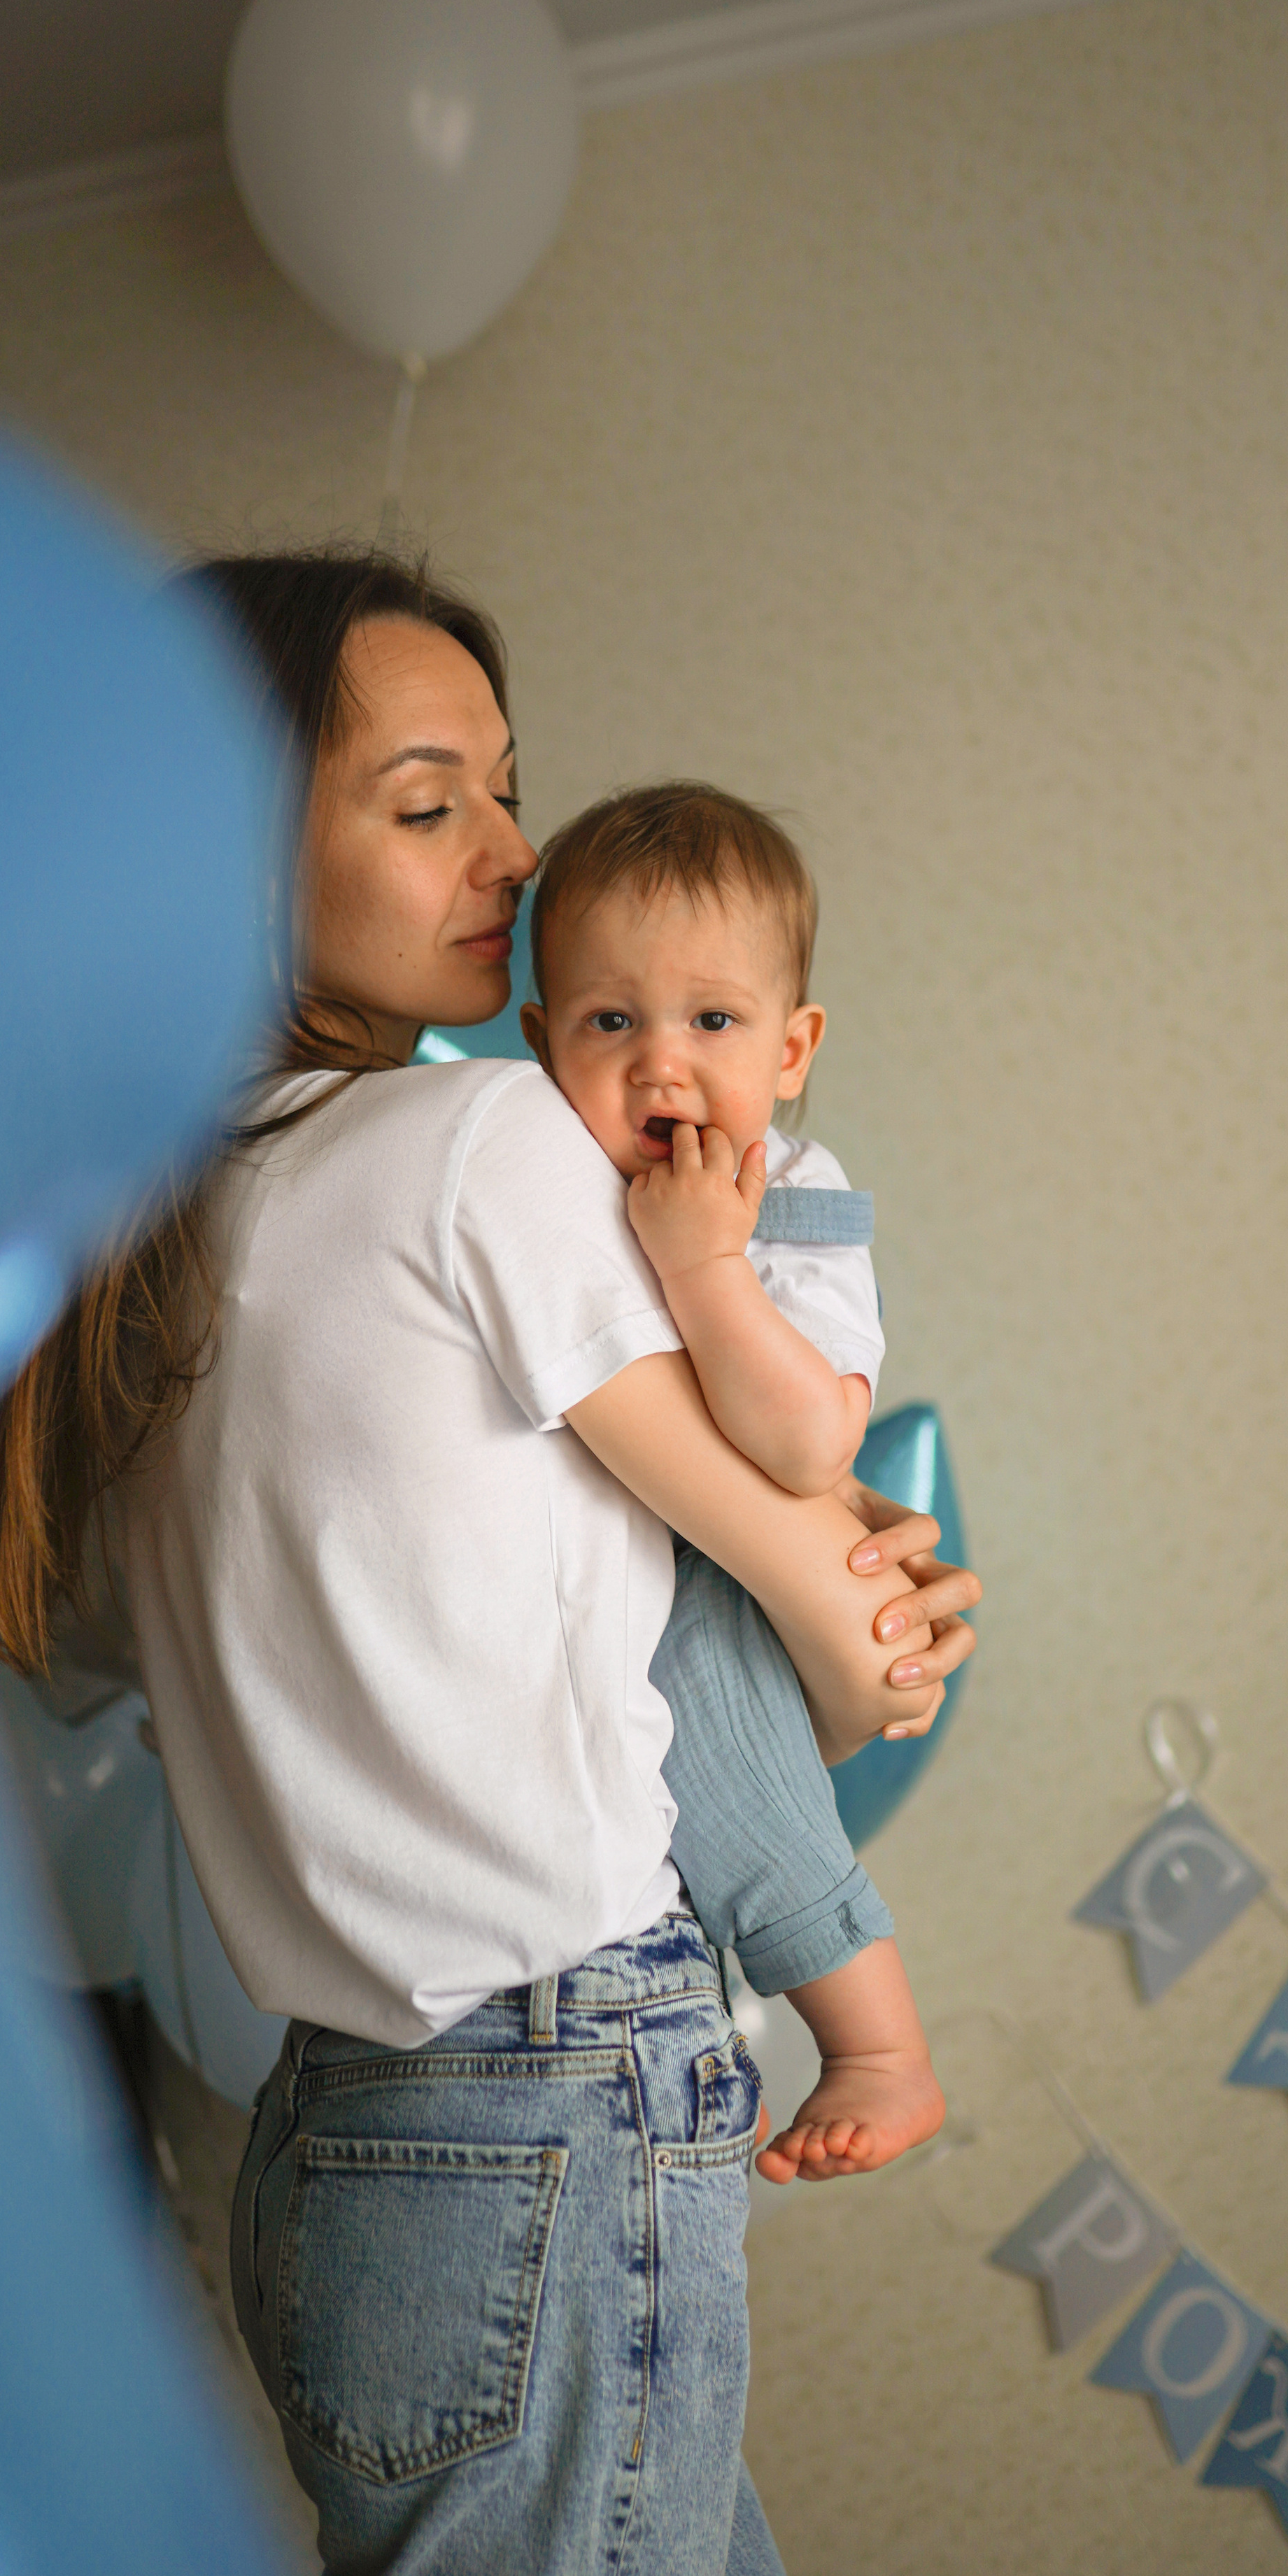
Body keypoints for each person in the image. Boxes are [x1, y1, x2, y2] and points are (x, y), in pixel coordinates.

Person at [0, 547, 979, 2576]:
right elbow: (824, 1625)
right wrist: (870, 1600)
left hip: (340, 2146)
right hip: (550, 2090)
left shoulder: (138, 1251)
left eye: (507, 789)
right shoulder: (481, 1140)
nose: (518, 855)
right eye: (431, 804)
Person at [523, 779, 945, 2184]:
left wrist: (705, 1264)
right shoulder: (537, 1178)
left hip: (721, 1577)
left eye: (712, 1022)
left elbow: (810, 1448)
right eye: (610, 1023)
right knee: (669, 1816)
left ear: (791, 1047)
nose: (661, 1065)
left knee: (722, 1752)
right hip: (591, 1580)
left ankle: (879, 2043)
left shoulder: (792, 1201)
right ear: (539, 1040)